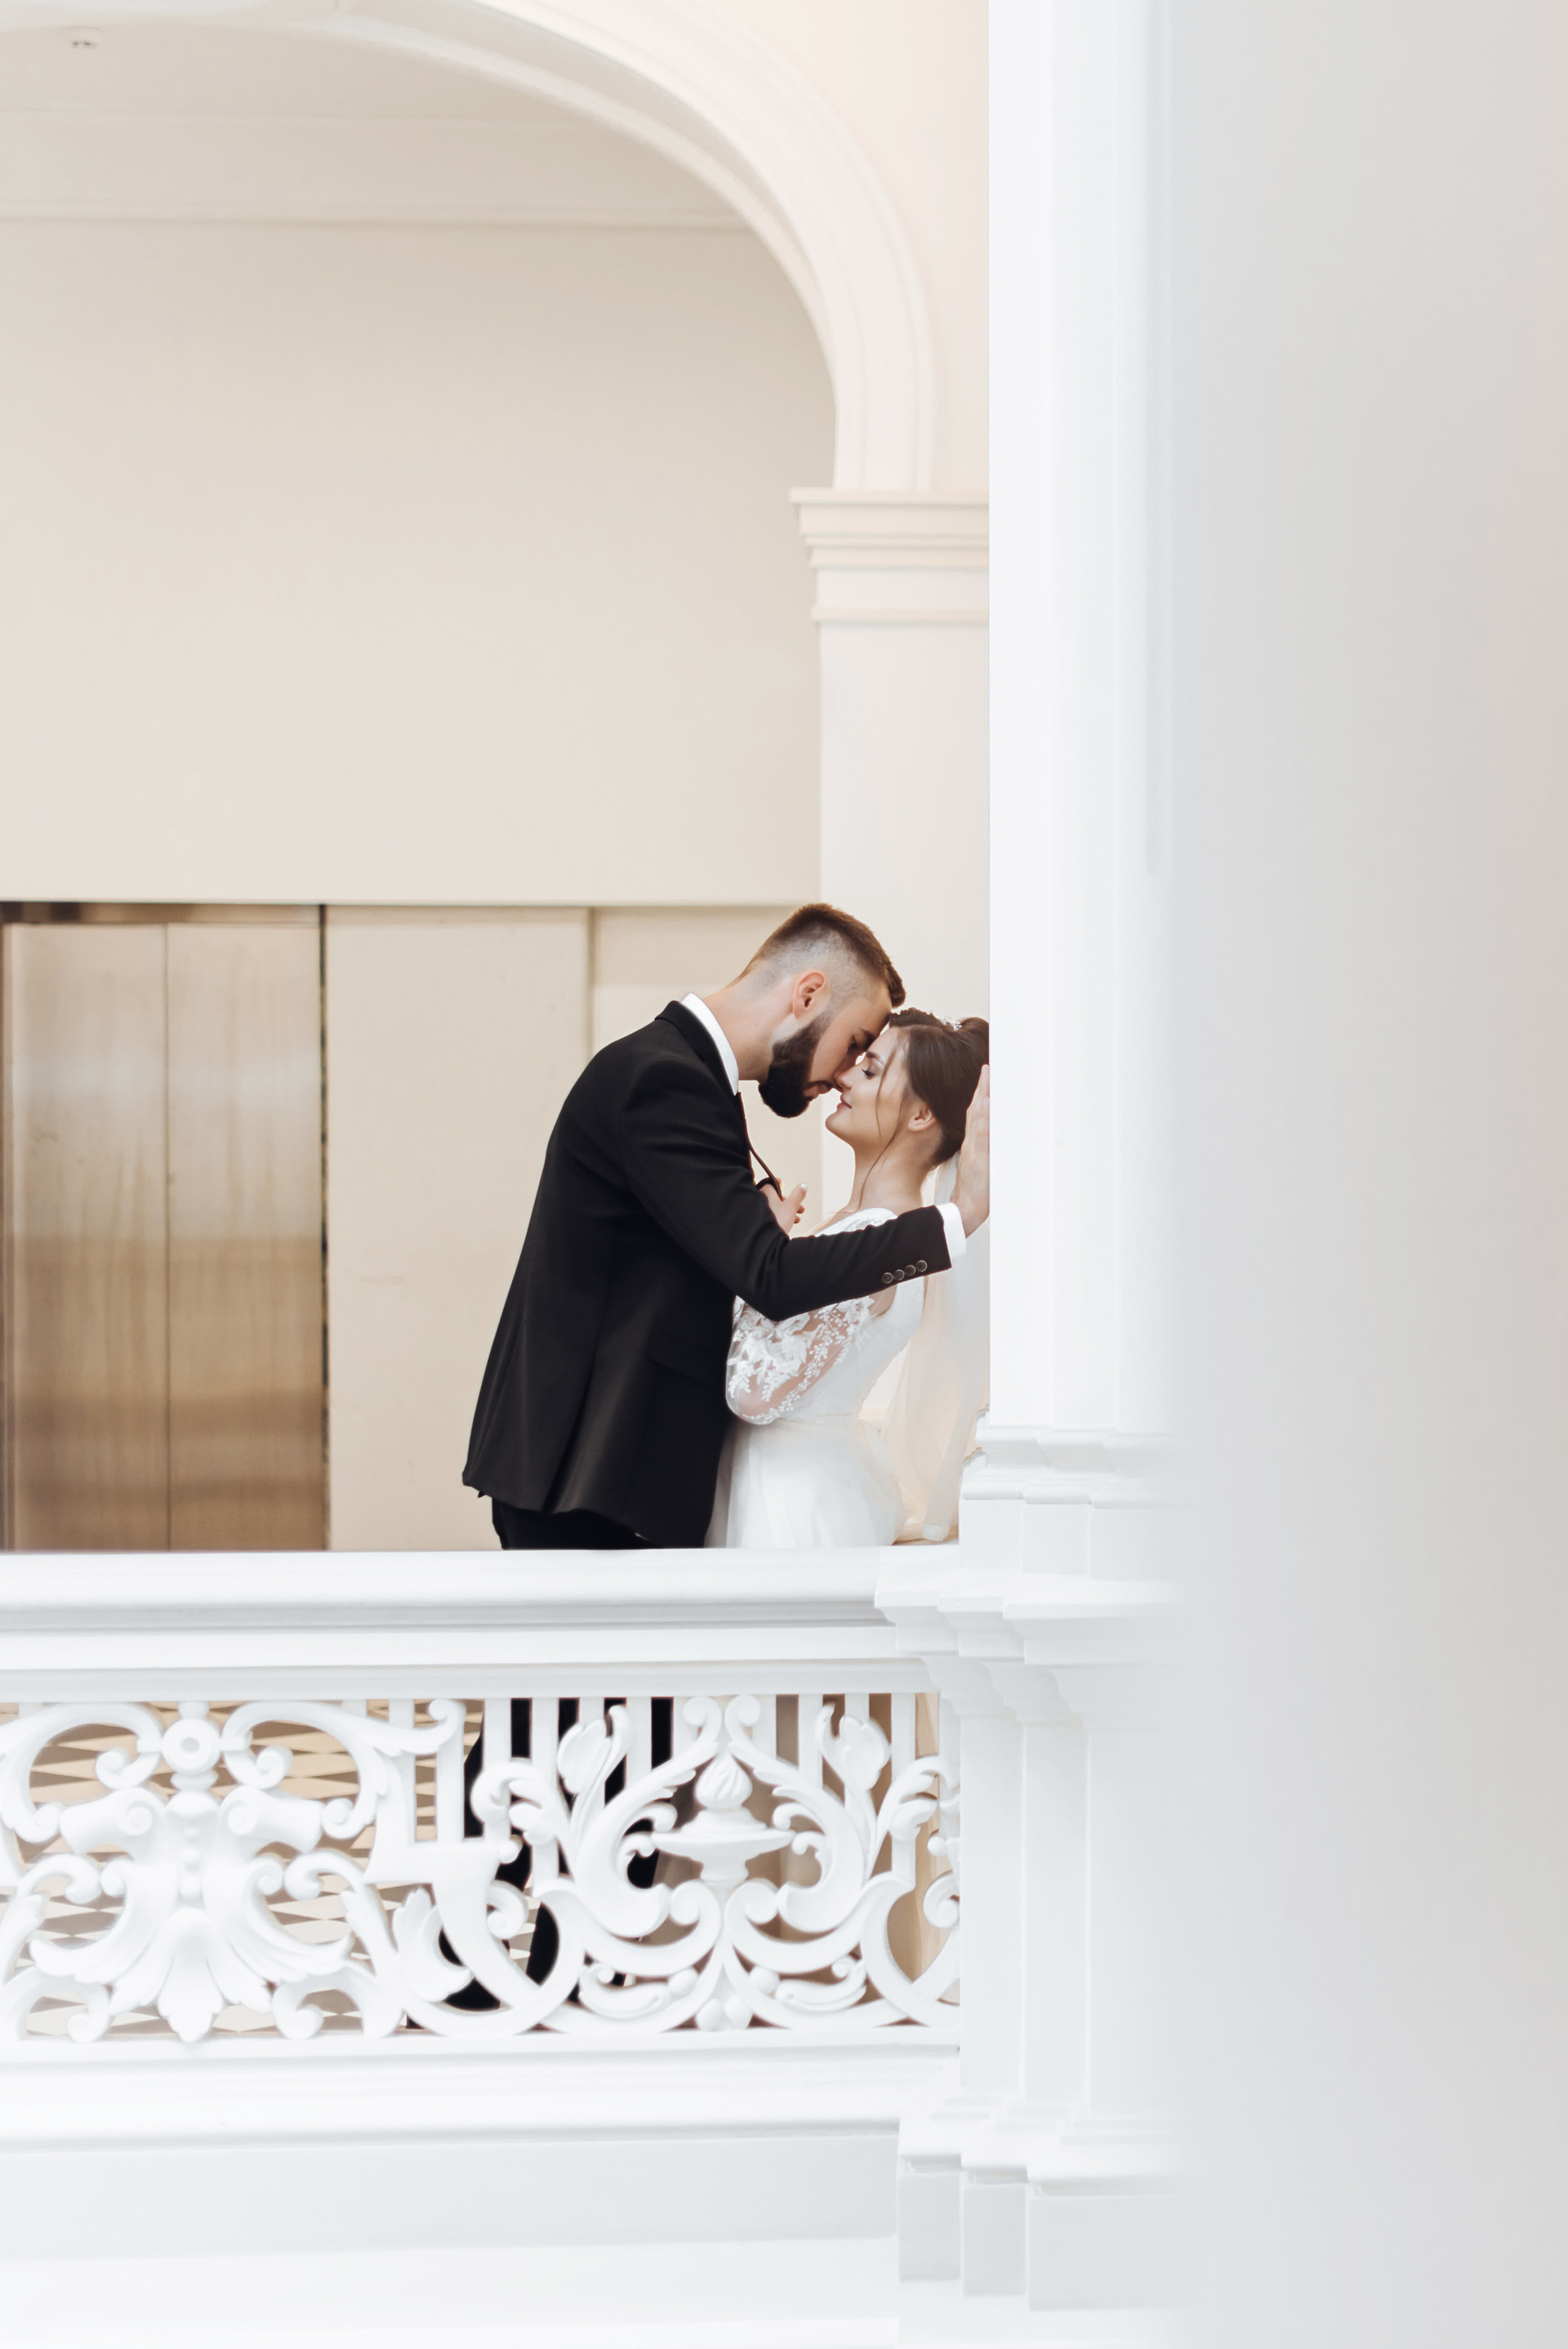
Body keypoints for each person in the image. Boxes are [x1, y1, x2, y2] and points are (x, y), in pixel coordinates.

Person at [462, 903, 990, 1550]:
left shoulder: (684, 1077)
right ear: (807, 995)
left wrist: (745, 1227)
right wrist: (953, 1221)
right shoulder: (666, 1080)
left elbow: (700, 1258)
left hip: (616, 1471)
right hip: (589, 1471)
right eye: (855, 1044)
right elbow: (770, 1276)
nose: (841, 1074)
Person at [707, 1011, 990, 1549]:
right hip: (789, 1475)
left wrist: (751, 1260)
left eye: (870, 1070)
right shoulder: (866, 1228)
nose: (843, 1077)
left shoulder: (880, 1235)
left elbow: (754, 1393)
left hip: (787, 1500)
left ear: (921, 1115)